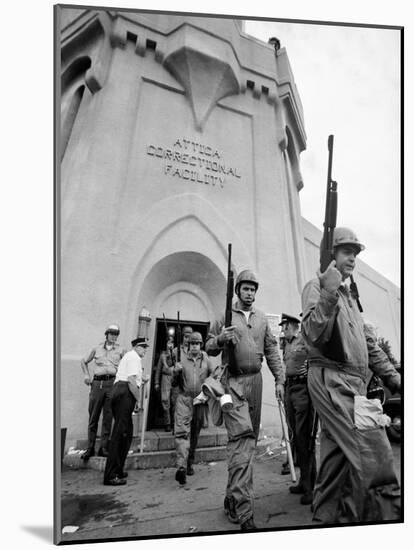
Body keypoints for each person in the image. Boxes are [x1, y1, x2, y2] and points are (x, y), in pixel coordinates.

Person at [301, 227, 401, 524]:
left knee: (336, 470)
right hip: (333, 381)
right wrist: (328, 291)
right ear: (330, 254)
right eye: (347, 251)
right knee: (375, 454)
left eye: (356, 253)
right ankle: (389, 526)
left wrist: (395, 378)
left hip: (352, 386)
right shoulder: (316, 287)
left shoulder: (350, 297)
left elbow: (369, 345)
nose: (353, 259)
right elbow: (313, 334)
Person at [205, 270, 285, 531]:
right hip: (233, 385)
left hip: (255, 384)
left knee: (245, 446)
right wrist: (220, 338)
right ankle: (244, 512)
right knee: (242, 443)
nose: (250, 293)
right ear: (237, 290)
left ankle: (231, 498)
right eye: (246, 288)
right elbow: (209, 346)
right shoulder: (225, 317)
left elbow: (272, 349)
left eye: (253, 289)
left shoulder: (261, 318)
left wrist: (280, 380)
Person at [279, 313, 316, 505]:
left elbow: (314, 362)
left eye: (284, 326)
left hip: (303, 390)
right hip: (289, 388)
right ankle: (303, 481)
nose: (282, 329)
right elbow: (286, 366)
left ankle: (311, 487)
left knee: (304, 438)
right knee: (294, 436)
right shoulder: (286, 343)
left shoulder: (304, 339)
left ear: (293, 326)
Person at [103, 337, 150, 486]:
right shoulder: (134, 357)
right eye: (143, 347)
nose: (145, 350)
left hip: (122, 391)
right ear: (136, 347)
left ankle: (118, 469)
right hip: (124, 392)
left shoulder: (132, 358)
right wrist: (138, 402)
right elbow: (130, 380)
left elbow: (135, 378)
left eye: (145, 347)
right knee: (119, 434)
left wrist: (142, 379)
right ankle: (110, 475)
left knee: (126, 433)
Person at [173, 331, 215, 485]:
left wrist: (207, 393)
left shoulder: (206, 360)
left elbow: (213, 377)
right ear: (188, 345)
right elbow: (174, 383)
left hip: (200, 400)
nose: (195, 346)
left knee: (195, 433)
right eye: (192, 344)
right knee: (182, 433)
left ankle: (189, 462)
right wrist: (175, 372)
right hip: (184, 399)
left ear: (201, 345)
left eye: (197, 343)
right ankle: (181, 467)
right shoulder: (182, 359)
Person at [80, 324, 125, 460]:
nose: (114, 336)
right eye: (111, 333)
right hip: (97, 384)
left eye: (116, 334)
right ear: (106, 334)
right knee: (93, 416)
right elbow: (83, 361)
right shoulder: (96, 348)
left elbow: (127, 363)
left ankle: (103, 448)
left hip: (112, 383)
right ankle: (90, 448)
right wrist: (86, 376)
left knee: (108, 417)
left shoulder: (121, 350)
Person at [154, 336, 177, 432]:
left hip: (175, 378)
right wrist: (156, 382)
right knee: (165, 399)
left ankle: (175, 423)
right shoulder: (163, 355)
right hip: (165, 378)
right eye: (168, 343)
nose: (170, 345)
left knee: (175, 401)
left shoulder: (176, 354)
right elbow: (159, 369)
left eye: (172, 343)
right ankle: (167, 423)